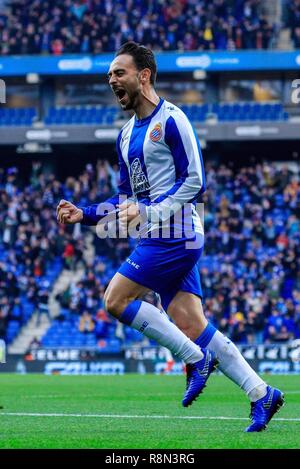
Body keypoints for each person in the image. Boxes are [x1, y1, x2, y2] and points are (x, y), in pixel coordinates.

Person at [56, 41, 284, 431]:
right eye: (109, 74)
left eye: (118, 72)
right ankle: (262, 393)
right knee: (191, 322)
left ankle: (194, 358)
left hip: (176, 234)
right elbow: (125, 197)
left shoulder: (174, 119)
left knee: (114, 299)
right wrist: (85, 214)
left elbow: (195, 180)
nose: (111, 80)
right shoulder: (126, 135)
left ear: (143, 75)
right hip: (156, 235)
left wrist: (149, 211)